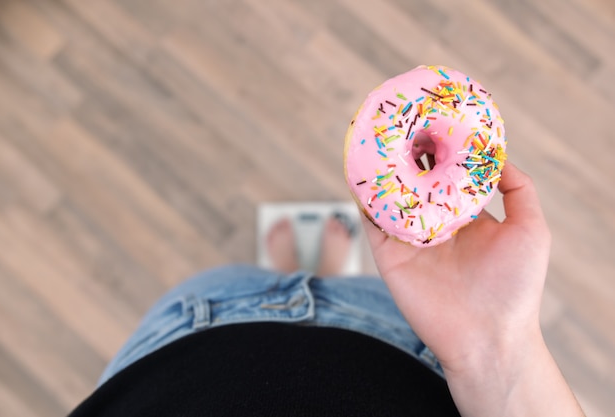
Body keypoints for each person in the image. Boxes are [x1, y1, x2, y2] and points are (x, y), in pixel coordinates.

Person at [68, 162, 586, 416]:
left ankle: (305, 272)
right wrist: (498, 345)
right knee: (348, 286)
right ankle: (316, 273)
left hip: (193, 331)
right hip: (411, 348)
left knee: (255, 279)